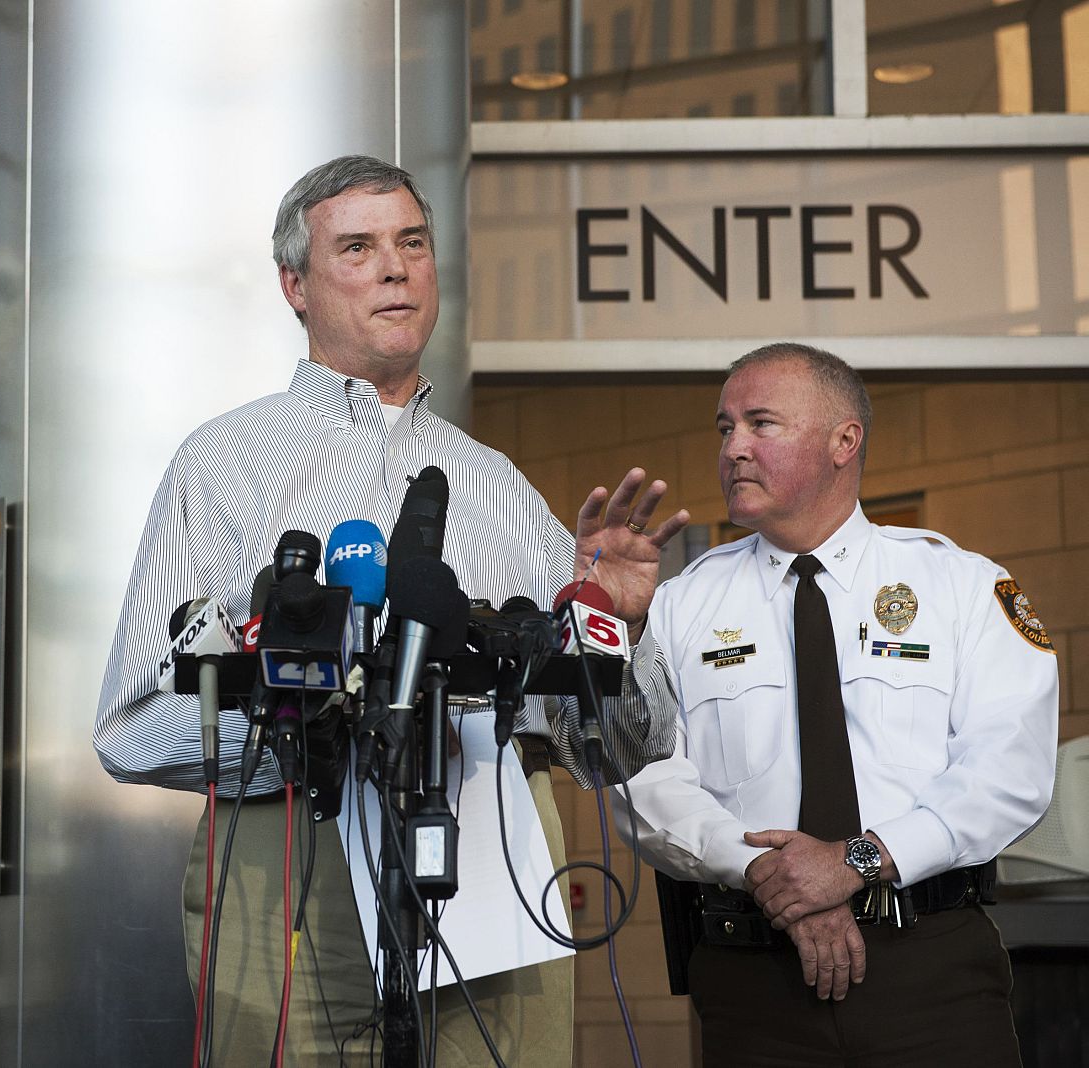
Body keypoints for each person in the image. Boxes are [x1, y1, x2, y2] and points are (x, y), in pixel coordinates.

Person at [95, 155, 687, 1065]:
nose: (395, 267)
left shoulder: (498, 486)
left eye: (412, 243)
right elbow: (131, 724)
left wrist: (618, 629)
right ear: (295, 284)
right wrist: (302, 726)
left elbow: (619, 751)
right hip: (293, 846)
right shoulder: (225, 462)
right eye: (359, 247)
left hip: (491, 857)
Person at [618, 344, 1058, 1066]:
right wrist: (765, 871)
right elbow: (642, 777)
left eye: (761, 423)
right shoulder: (678, 604)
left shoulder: (959, 584)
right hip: (755, 980)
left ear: (843, 440)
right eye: (725, 428)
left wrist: (860, 859)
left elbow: (1009, 770)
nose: (735, 448)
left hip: (930, 966)